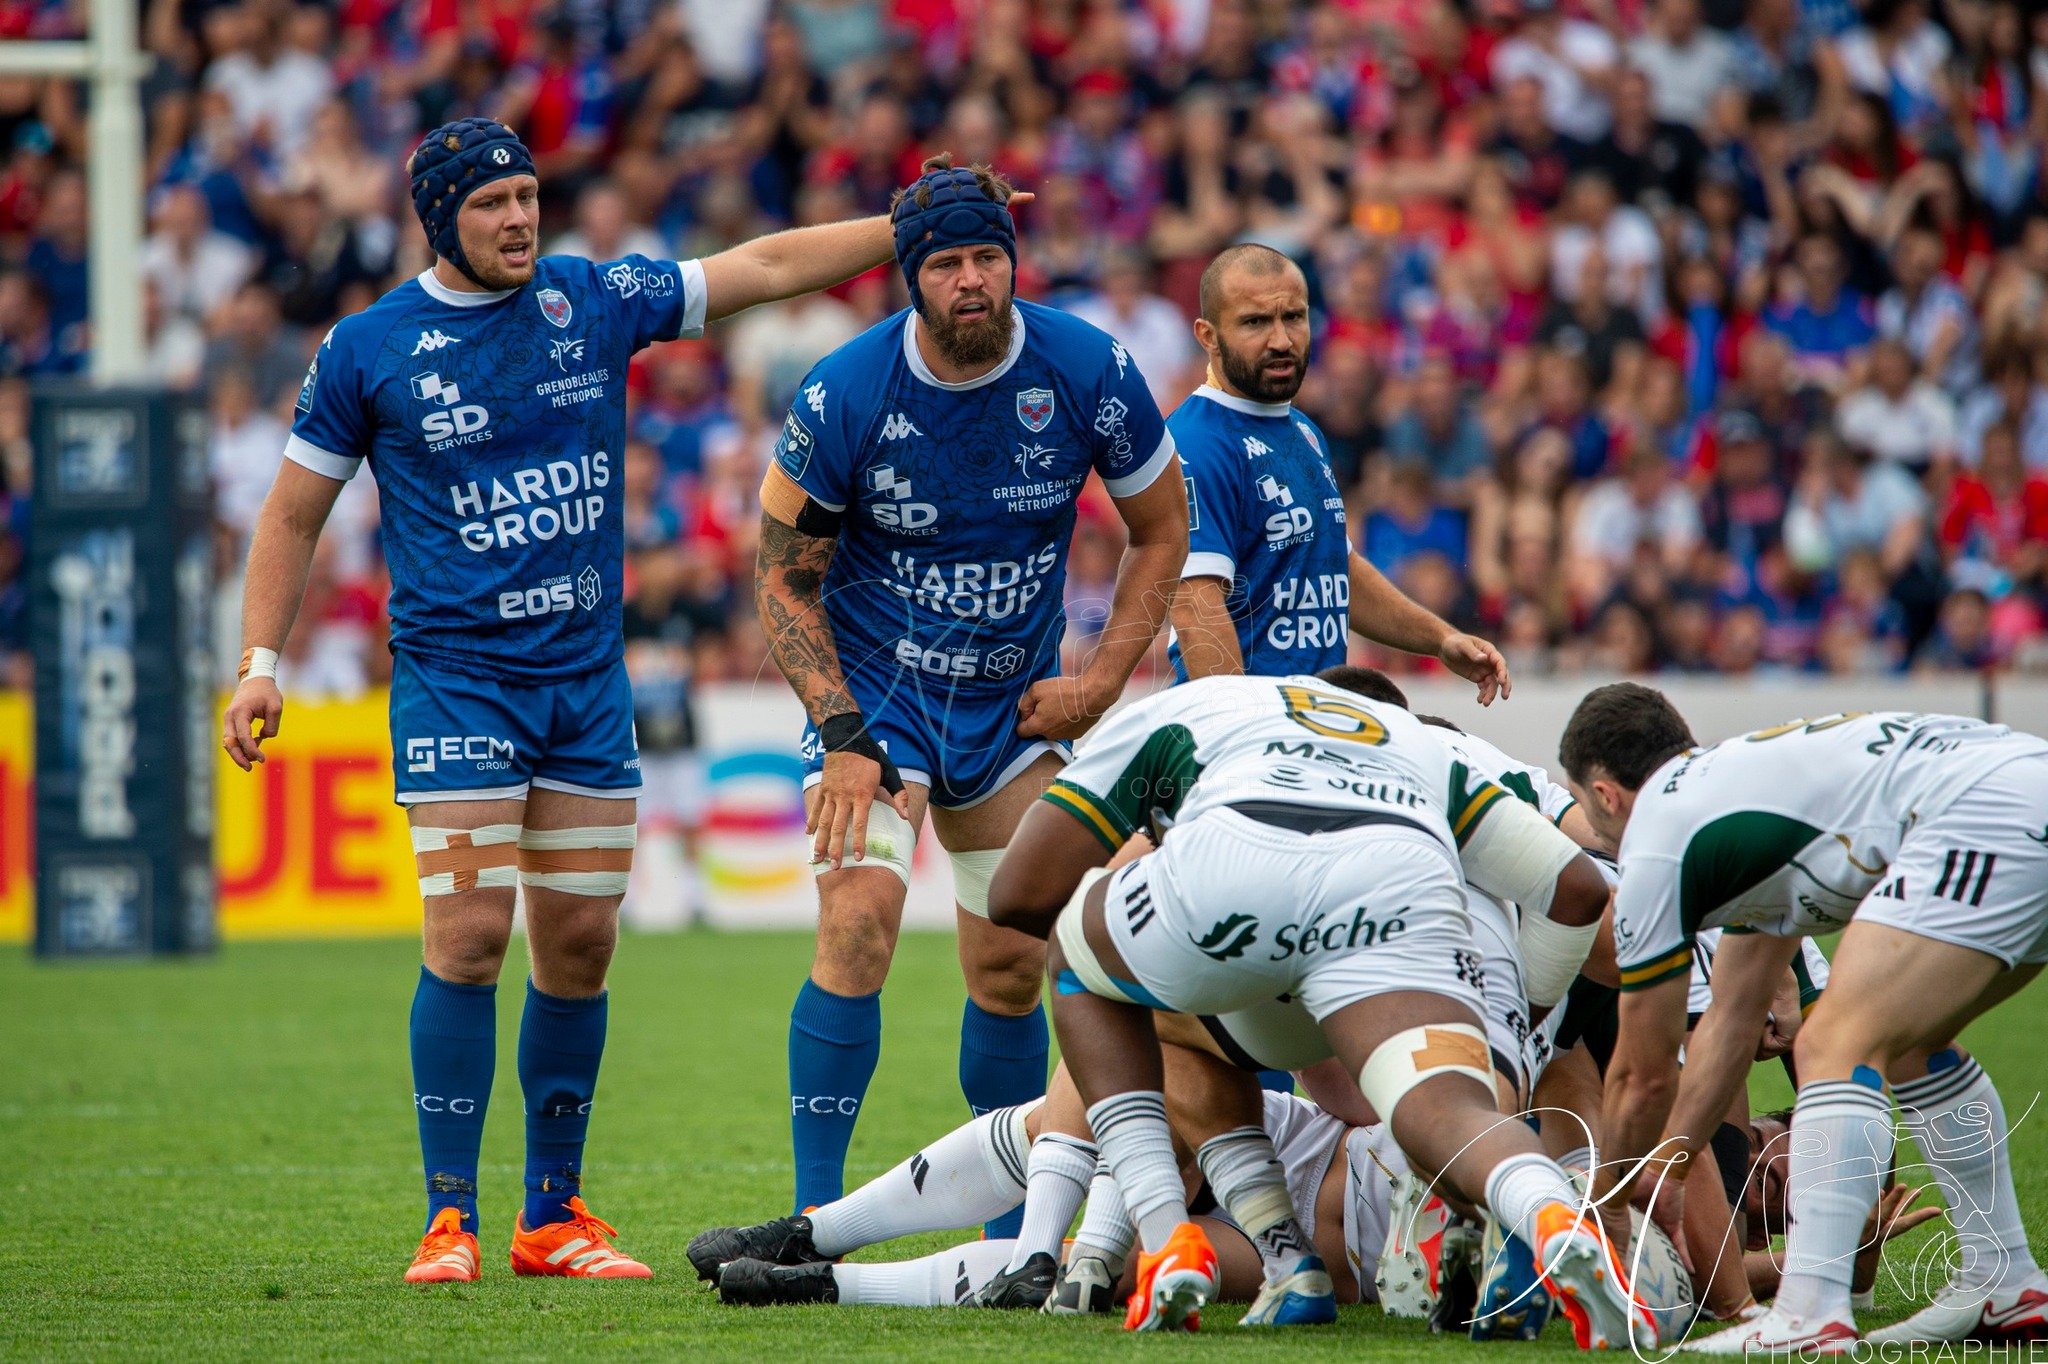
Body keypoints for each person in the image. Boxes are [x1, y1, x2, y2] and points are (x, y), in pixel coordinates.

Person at [220, 117, 919, 1285]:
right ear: (441, 217)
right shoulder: (366, 347)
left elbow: (755, 269)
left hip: (585, 681)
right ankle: (449, 1218)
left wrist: (902, 231)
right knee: (469, 934)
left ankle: (555, 1215)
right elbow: (293, 514)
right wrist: (258, 661)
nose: (519, 219)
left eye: (530, 196)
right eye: (493, 203)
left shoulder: (589, 299)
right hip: (456, 676)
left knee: (582, 945)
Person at [752, 155, 1188, 1223]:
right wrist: (843, 731)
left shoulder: (1089, 368)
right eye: (945, 261)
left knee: (1007, 963)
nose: (970, 280)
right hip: (879, 700)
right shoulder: (845, 389)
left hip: (1008, 707)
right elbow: (779, 576)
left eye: (987, 256)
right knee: (856, 923)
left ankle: (1006, 1229)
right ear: (911, 274)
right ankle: (817, 1221)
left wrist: (1095, 685)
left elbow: (1162, 528)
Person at [985, 667, 1636, 1338]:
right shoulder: (1420, 741)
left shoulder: (1187, 706)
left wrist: (1163, 936)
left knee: (1079, 962)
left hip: (1243, 869)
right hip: (1393, 906)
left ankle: (1170, 1240)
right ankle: (1549, 1212)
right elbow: (1578, 888)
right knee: (1447, 1111)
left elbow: (1013, 895)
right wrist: (1526, 1017)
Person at [1556, 684, 2048, 1350]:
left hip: (1980, 813)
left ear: (1604, 796)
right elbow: (1730, 1020)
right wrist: (1670, 1168)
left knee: (1835, 1044)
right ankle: (2005, 1280)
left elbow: (1641, 1076)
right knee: (1911, 1045)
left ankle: (1809, 1312)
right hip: (2019, 785)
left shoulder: (1656, 846)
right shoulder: (1734, 802)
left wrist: (1607, 1198)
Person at [1167, 243, 1513, 698]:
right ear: (1208, 336)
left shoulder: (1304, 431)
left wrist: (1440, 638)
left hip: (1314, 722)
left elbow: (1336, 568)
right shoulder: (1195, 442)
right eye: (1255, 322)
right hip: (1245, 734)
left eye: (1293, 317)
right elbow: (1196, 610)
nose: (1281, 340)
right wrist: (1248, 735)